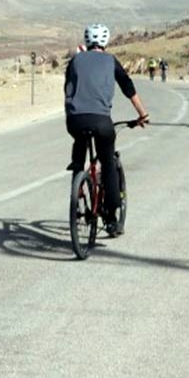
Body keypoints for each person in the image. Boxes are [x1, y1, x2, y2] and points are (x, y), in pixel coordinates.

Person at [65, 24, 150, 236]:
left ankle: (78, 179)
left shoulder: (75, 60)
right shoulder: (111, 61)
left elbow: (68, 87)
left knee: (80, 143)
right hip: (101, 122)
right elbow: (127, 86)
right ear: (105, 42)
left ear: (87, 41)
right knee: (108, 162)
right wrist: (142, 114)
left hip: (75, 120)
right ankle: (111, 218)